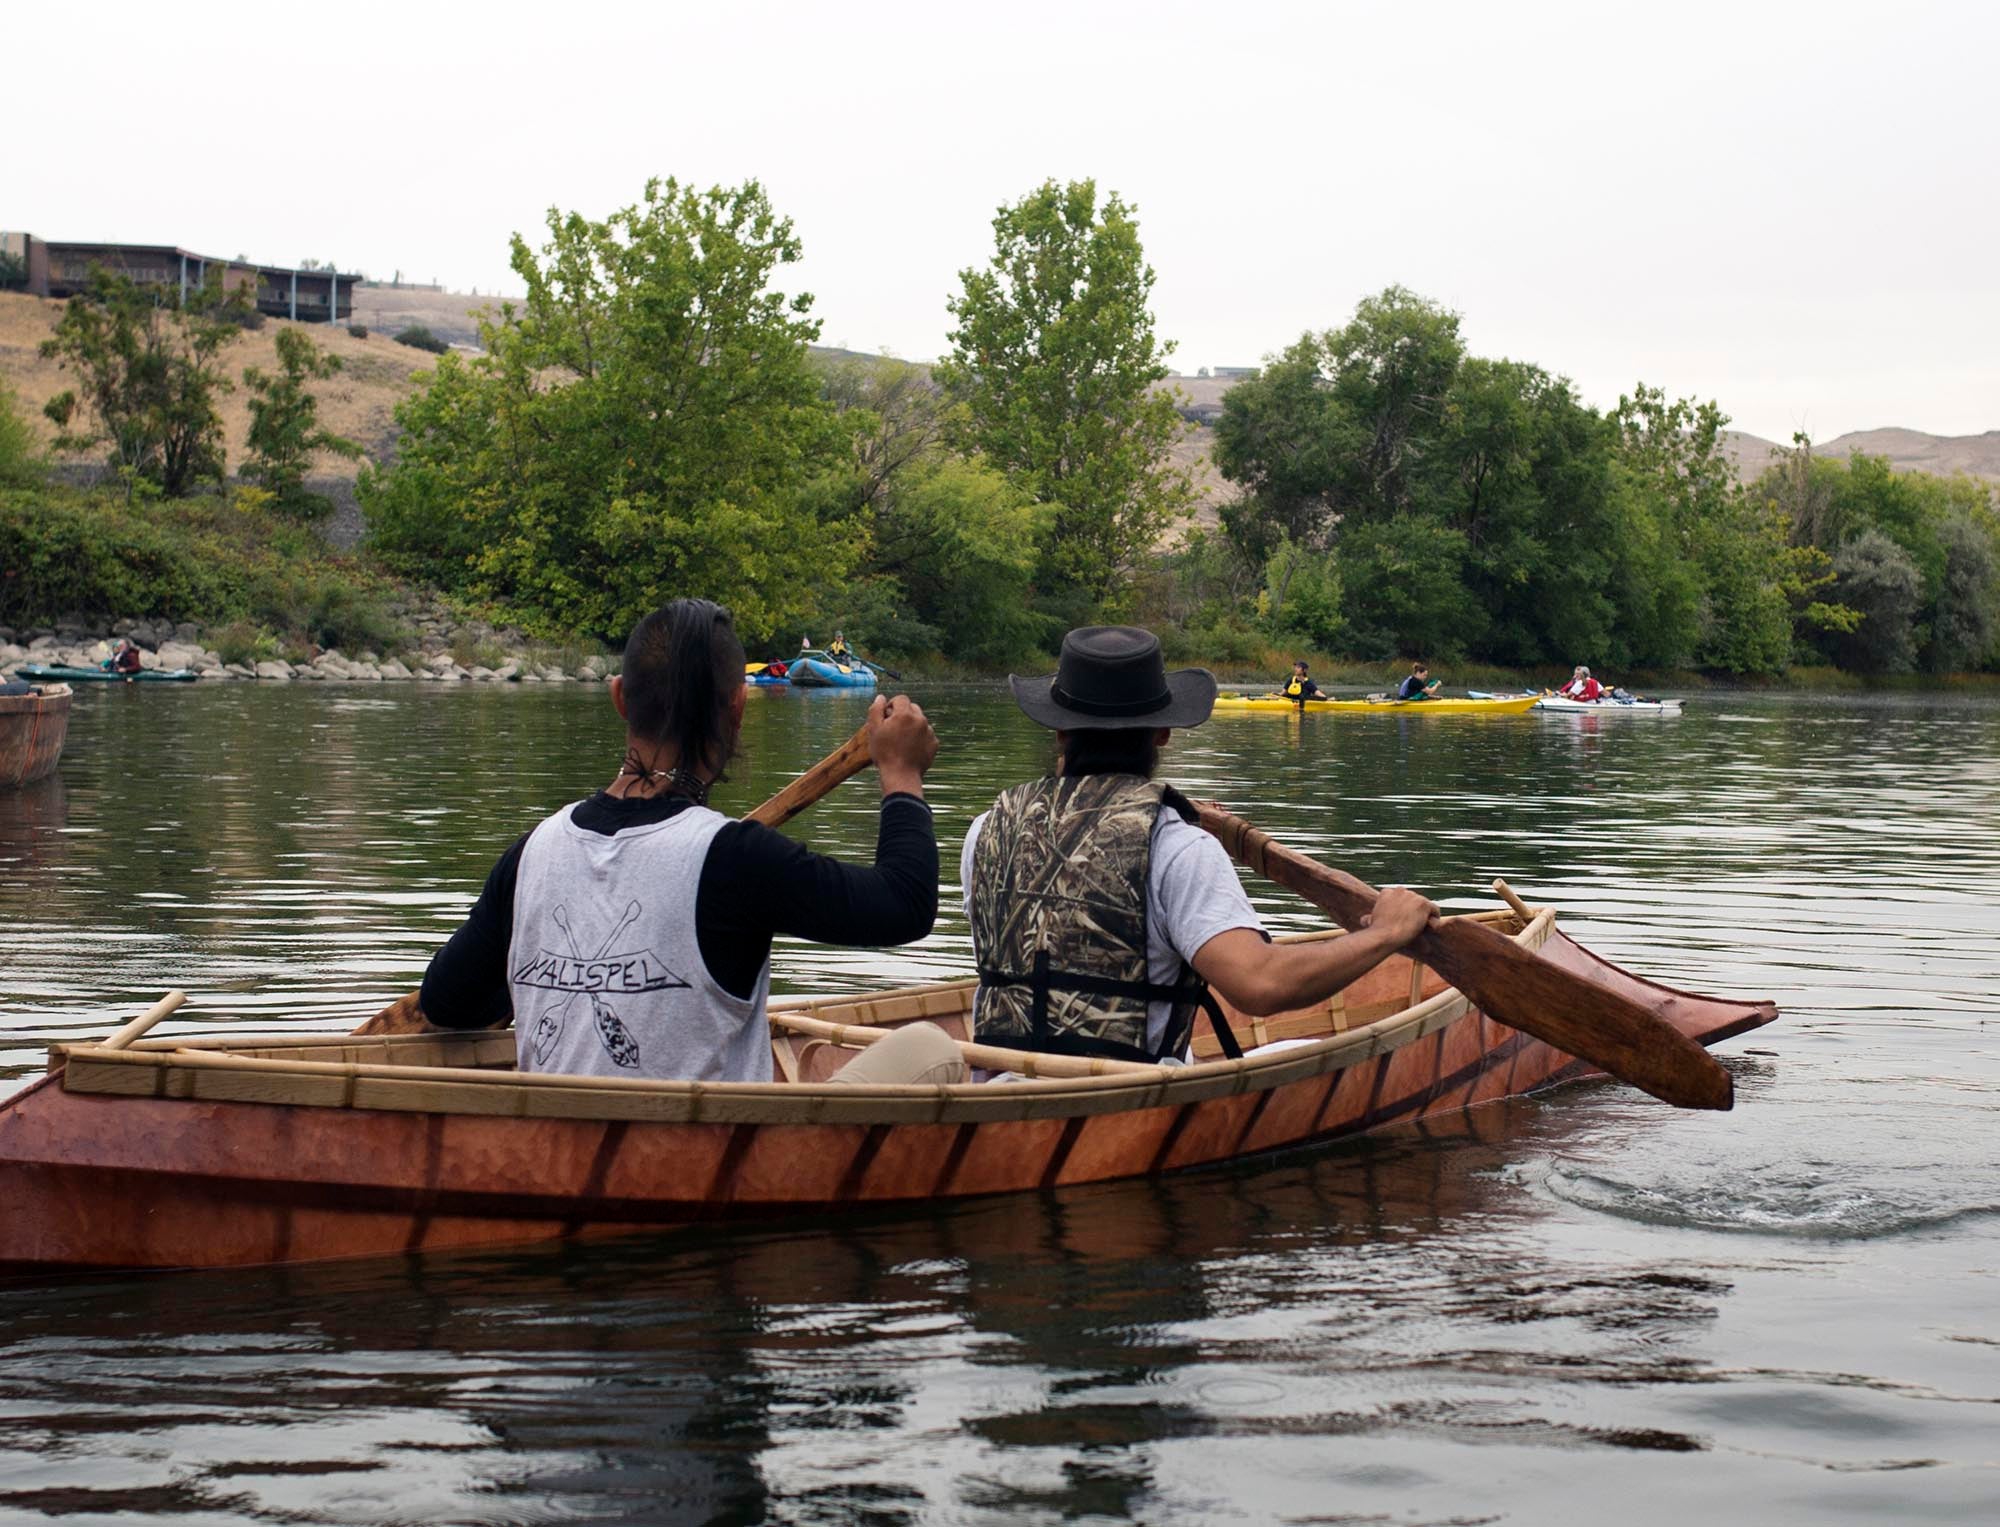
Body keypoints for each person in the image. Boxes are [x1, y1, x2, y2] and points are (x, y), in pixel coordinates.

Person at [419, 597, 964, 1087]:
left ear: (619, 699)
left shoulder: (531, 854)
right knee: (932, 1047)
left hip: (555, 1162)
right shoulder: (736, 859)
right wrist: (901, 774)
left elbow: (446, 1002)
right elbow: (905, 905)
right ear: (738, 708)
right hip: (708, 1169)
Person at [960, 625, 1438, 1065]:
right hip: (1129, 1099)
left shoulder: (987, 829)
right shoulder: (1177, 846)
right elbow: (1260, 984)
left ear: (1060, 729)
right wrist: (1384, 935)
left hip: (998, 1075)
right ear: (1164, 733)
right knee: (1296, 1046)